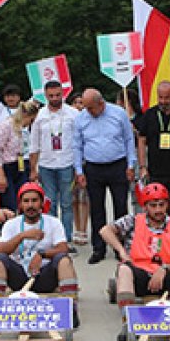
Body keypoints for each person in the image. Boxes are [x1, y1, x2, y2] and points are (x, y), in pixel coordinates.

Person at [99, 182, 170, 341]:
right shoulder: (133, 221)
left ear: (167, 204)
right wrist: (121, 251)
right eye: (153, 205)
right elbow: (105, 231)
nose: (158, 210)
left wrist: (164, 269)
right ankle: (128, 321)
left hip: (166, 277)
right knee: (124, 270)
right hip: (139, 275)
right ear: (145, 206)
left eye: (162, 205)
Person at [74, 88, 138, 264]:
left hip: (118, 165)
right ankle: (98, 248)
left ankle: (121, 247)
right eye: (86, 108)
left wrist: (131, 164)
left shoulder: (118, 114)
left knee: (120, 208)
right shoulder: (81, 118)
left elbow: (128, 140)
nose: (88, 111)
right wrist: (79, 170)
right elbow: (77, 145)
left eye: (91, 108)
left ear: (101, 103)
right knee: (97, 209)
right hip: (93, 168)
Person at [0, 182, 78, 298]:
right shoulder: (11, 224)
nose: (30, 205)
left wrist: (42, 254)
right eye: (26, 201)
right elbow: (1, 250)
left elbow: (63, 249)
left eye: (34, 200)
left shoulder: (54, 222)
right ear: (20, 204)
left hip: (45, 275)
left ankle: (71, 306)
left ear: (41, 203)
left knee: (64, 260)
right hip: (19, 276)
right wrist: (22, 236)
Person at [30, 80, 80, 240]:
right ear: (45, 95)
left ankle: (66, 239)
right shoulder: (40, 116)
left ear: (63, 93)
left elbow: (80, 141)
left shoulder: (73, 114)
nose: (55, 98)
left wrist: (80, 167)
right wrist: (33, 169)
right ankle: (50, 238)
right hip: (46, 165)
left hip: (67, 163)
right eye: (51, 96)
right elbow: (34, 144)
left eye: (58, 95)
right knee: (48, 204)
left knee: (67, 204)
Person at [136, 81, 170, 210]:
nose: (163, 101)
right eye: (160, 97)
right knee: (156, 208)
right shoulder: (150, 114)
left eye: (167, 97)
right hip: (154, 172)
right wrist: (142, 166)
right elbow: (141, 139)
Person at [0, 99, 40, 212]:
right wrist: (1, 175)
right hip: (6, 166)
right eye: (31, 120)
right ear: (25, 115)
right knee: (9, 204)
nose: (31, 123)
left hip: (22, 164)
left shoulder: (25, 129)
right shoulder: (6, 125)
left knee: (24, 200)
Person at [69, 93, 91, 245]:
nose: (79, 105)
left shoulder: (88, 120)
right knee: (73, 199)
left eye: (82, 103)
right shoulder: (69, 120)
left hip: (85, 162)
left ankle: (83, 229)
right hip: (69, 162)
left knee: (84, 198)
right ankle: (76, 228)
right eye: (76, 102)